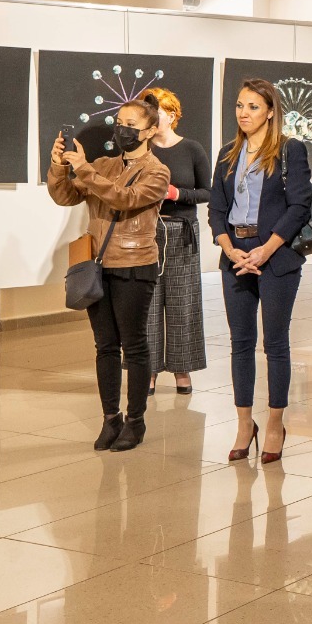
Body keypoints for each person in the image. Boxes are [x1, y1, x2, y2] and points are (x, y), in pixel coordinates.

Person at [48, 94, 170, 452]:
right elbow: (65, 196)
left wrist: (85, 169)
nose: (122, 130)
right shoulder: (103, 164)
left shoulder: (157, 172)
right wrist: (58, 166)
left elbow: (124, 198)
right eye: (119, 123)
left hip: (135, 264)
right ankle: (110, 419)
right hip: (98, 265)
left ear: (150, 130)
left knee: (134, 345)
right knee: (105, 346)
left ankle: (136, 421)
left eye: (131, 125)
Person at [208, 79, 312, 465]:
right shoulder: (227, 153)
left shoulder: (289, 150)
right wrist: (229, 248)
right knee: (240, 342)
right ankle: (243, 424)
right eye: (240, 105)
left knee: (275, 344)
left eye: (253, 106)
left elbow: (299, 206)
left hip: (276, 255)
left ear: (270, 111)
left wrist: (266, 250)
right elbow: (216, 208)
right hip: (235, 255)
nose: (244, 113)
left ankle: (274, 425)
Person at [140, 86, 211, 397]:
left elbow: (207, 192)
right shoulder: (141, 150)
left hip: (182, 232)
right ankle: (149, 370)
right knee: (148, 304)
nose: (152, 118)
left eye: (156, 113)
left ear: (171, 115)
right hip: (147, 232)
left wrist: (177, 193)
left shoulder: (192, 149)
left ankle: (183, 369)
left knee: (184, 303)